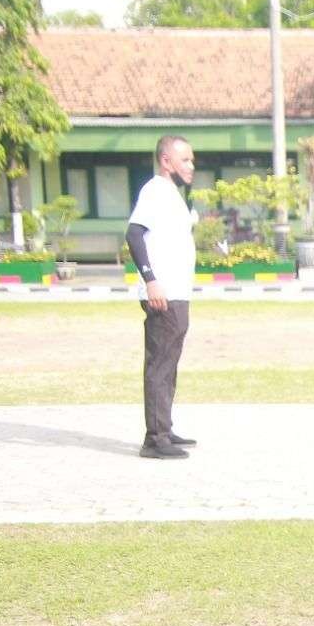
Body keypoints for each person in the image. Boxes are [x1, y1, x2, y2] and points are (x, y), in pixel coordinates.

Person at [125, 135, 198, 460]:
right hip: (162, 293)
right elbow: (134, 233)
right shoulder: (155, 190)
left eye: (192, 160)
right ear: (166, 161)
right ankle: (155, 439)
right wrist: (150, 280)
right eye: (185, 160)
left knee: (170, 364)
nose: (191, 166)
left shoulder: (171, 195)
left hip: (178, 292)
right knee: (159, 365)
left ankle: (164, 428)